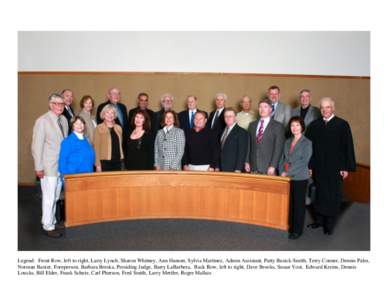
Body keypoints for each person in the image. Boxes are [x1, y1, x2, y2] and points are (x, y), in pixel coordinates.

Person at [305, 97, 356, 235]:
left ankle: (329, 224)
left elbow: (348, 147)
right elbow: (308, 147)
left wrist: (345, 167)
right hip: (319, 166)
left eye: (328, 107)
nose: (325, 110)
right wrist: (309, 165)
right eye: (322, 107)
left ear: (332, 108)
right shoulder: (314, 125)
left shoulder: (342, 124)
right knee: (319, 194)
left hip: (336, 167)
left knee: (333, 196)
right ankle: (319, 220)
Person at [31, 93, 68, 238]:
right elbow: (36, 146)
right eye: (56, 103)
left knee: (55, 196)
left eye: (62, 104)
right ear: (50, 104)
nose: (60, 106)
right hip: (48, 166)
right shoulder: (42, 121)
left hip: (61, 165)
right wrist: (38, 167)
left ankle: (52, 220)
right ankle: (47, 225)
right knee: (48, 196)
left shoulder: (64, 120)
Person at [279, 116, 312, 239]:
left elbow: (303, 162)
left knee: (298, 204)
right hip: (287, 177)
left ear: (302, 127)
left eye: (297, 125)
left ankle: (297, 230)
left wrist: (287, 173)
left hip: (299, 177)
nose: (295, 128)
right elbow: (282, 159)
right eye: (292, 125)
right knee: (290, 203)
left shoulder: (307, 143)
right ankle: (291, 226)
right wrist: (282, 170)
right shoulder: (287, 141)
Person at [245, 98, 285, 175]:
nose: (262, 109)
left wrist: (273, 166)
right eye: (260, 107)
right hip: (253, 167)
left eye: (265, 107)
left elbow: (278, 148)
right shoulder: (252, 125)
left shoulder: (278, 126)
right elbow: (248, 146)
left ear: (270, 109)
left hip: (269, 168)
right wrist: (247, 161)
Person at [94, 104, 124, 172]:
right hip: (104, 163)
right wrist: (97, 165)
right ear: (103, 114)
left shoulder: (119, 128)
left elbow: (120, 145)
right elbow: (96, 148)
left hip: (117, 161)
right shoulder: (98, 128)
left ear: (115, 115)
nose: (110, 115)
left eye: (112, 113)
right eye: (107, 112)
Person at [219, 108, 248, 172]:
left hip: (233, 168)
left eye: (230, 116)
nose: (228, 118)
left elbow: (242, 153)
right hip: (221, 168)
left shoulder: (242, 132)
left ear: (235, 117)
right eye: (226, 116)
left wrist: (238, 169)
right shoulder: (223, 131)